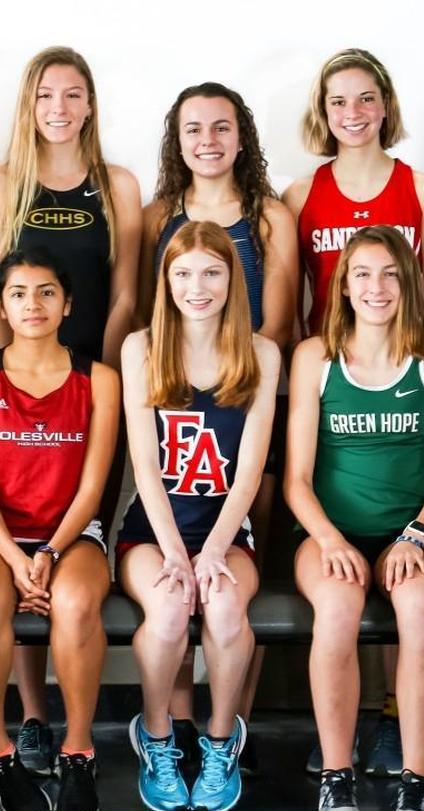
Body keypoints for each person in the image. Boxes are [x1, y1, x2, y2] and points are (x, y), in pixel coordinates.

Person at [283, 48, 424, 776]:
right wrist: (333, 370)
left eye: (364, 99)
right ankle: (330, 765)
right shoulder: (301, 194)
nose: (351, 114)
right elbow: (295, 307)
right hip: (334, 380)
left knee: (419, 600)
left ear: (385, 105)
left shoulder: (423, 189)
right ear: (322, 113)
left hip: (404, 378)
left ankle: (403, 738)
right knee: (338, 597)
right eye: (337, 101)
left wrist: (407, 361)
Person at [0, 45, 140, 773]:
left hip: (89, 394)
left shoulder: (117, 185)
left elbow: (128, 294)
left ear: (91, 105)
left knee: (75, 536)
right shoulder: (2, 183)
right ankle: (32, 714)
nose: (60, 108)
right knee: (13, 528)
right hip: (14, 393)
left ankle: (73, 716)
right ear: (29, 104)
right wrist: (3, 384)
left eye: (74, 95)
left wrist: (97, 377)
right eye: (47, 95)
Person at [140, 81, 299, 775]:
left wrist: (234, 379)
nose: (208, 140)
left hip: (243, 402)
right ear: (178, 141)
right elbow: (139, 307)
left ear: (243, 136)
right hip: (171, 402)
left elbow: (283, 320)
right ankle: (171, 734)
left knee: (235, 578)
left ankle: (229, 730)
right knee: (177, 587)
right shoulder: (157, 216)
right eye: (193, 128)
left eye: (221, 127)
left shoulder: (268, 214)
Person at [285, 225, 424, 811]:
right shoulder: (316, 356)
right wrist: (331, 541)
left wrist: (414, 537)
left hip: (410, 533)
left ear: (407, 282)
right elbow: (297, 480)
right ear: (343, 285)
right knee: (335, 610)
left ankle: (417, 784)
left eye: (389, 273)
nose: (376, 286)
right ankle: (338, 779)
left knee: (418, 610)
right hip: (331, 534)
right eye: (362, 273)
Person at [0, 247, 119, 811]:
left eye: (47, 292)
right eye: (18, 293)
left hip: (68, 533)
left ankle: (77, 751)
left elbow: (94, 487)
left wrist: (46, 554)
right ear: (0, 304)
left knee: (74, 601)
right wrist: (15, 560)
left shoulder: (99, 379)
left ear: (67, 303)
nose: (33, 304)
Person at [120, 220, 279, 811]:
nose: (197, 286)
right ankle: (156, 737)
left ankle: (219, 742)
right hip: (152, 532)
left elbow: (248, 473)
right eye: (183, 274)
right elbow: (146, 469)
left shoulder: (261, 353)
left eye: (212, 272)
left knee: (227, 606)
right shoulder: (142, 348)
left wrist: (211, 551)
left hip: (226, 531)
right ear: (166, 280)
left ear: (232, 279)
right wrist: (174, 555)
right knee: (166, 608)